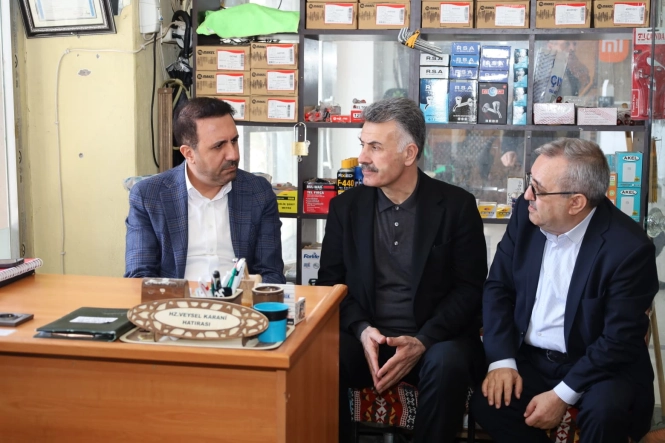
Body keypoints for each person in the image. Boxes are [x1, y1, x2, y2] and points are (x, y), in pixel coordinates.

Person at [317, 97, 487, 443]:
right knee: (320, 355)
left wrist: (422, 341)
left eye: (375, 147)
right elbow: (330, 285)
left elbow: (470, 290)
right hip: (367, 339)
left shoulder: (456, 206)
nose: (362, 157)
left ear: (409, 154)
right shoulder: (345, 208)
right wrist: (362, 330)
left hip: (435, 340)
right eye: (363, 144)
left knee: (448, 363)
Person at [470, 138, 658, 443]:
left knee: (605, 413)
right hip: (534, 357)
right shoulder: (526, 217)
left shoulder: (629, 249)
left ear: (576, 203)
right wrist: (502, 360)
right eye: (530, 182)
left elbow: (619, 340)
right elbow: (498, 288)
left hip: (600, 365)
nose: (526, 195)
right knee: (490, 404)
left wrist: (562, 395)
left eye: (538, 189)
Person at [125, 97, 285, 284]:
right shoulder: (148, 196)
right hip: (174, 300)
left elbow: (272, 275)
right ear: (189, 153)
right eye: (219, 146)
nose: (233, 154)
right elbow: (139, 278)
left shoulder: (258, 192)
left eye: (234, 141)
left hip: (240, 299)